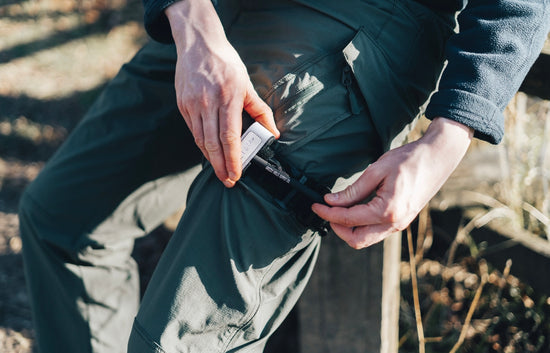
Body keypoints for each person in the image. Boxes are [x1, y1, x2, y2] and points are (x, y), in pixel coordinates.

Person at [18, 0, 549, 352]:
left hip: (360, 26)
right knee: (64, 218)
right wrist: (191, 19)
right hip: (218, 12)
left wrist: (446, 139)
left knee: (185, 337)